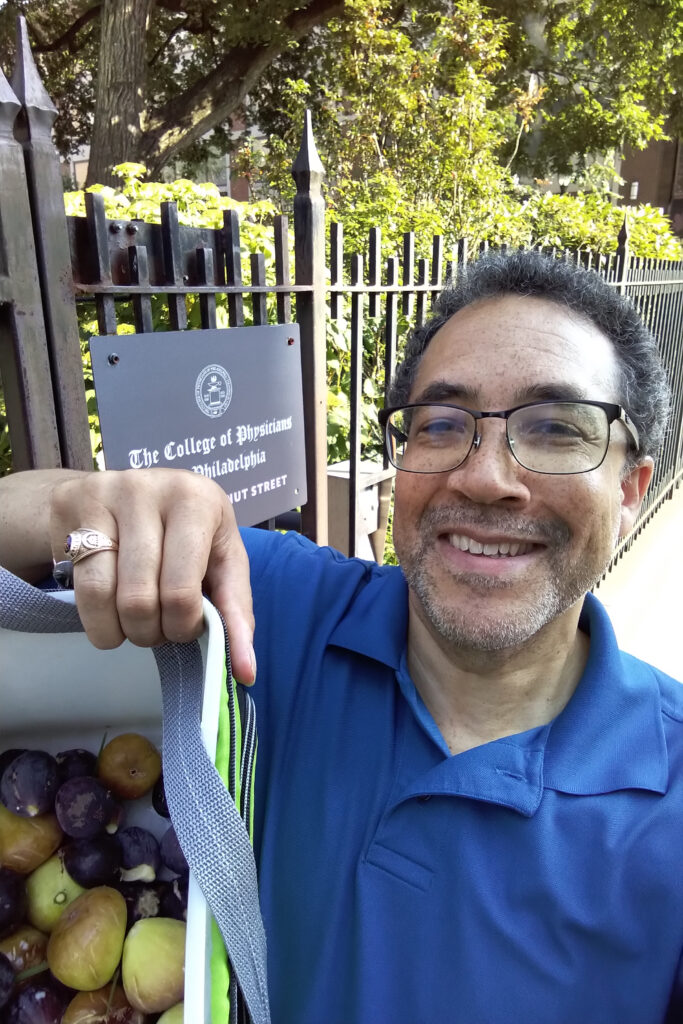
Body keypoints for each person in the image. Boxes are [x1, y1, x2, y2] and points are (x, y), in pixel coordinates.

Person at [1, 250, 682, 1024]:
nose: (485, 475)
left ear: (629, 493)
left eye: (557, 428)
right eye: (443, 424)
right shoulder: (277, 606)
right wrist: (74, 505)